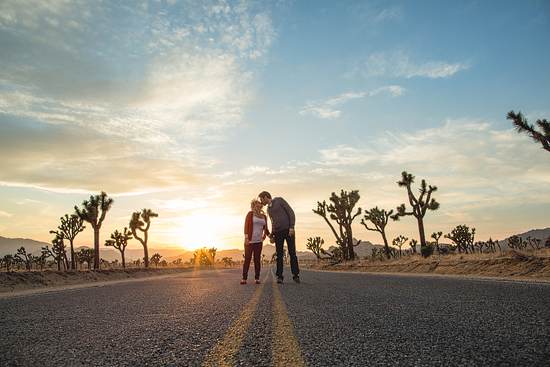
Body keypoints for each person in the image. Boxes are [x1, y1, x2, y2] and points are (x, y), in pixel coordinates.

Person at [258, 191, 300, 283]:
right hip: (278, 233)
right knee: (279, 255)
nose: (261, 201)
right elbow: (273, 222)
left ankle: (295, 276)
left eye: (261, 199)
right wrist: (272, 235)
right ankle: (279, 276)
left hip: (289, 231)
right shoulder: (268, 209)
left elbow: (291, 212)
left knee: (292, 253)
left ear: (265, 197)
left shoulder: (279, 201)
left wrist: (291, 227)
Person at [241, 199, 270, 284]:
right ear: (255, 205)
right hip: (249, 241)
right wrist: (246, 237)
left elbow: (266, 229)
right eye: (258, 202)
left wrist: (270, 236)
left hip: (259, 241)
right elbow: (246, 225)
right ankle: (244, 278)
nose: (261, 203)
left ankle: (257, 278)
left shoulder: (264, 216)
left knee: (257, 259)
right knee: (247, 259)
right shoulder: (250, 214)